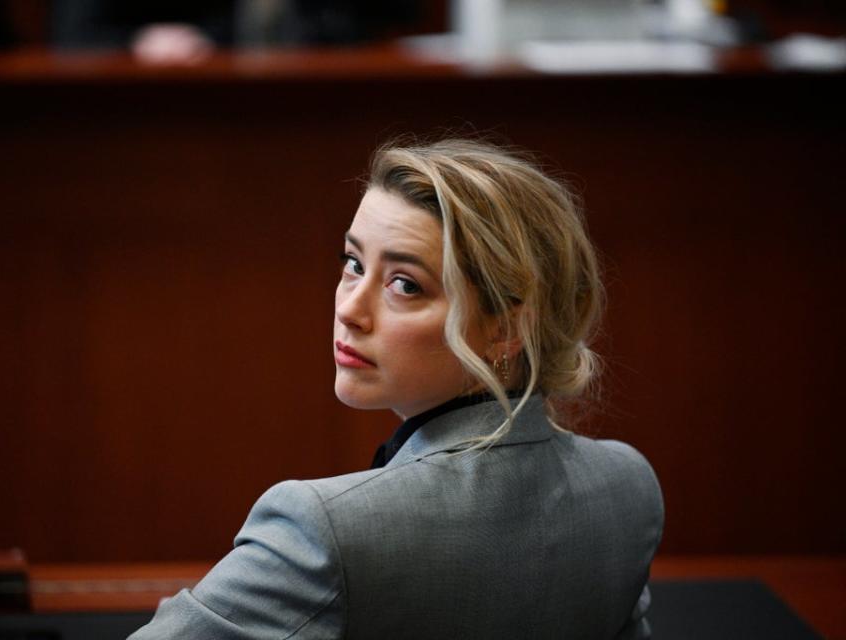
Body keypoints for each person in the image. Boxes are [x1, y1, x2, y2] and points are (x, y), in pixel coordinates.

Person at [128, 137, 664, 639]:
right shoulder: (628, 486)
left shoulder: (324, 526)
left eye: (405, 285)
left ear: (506, 329)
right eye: (354, 263)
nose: (349, 308)